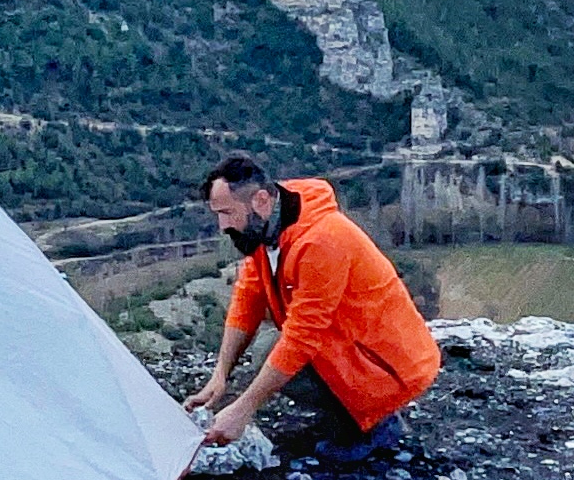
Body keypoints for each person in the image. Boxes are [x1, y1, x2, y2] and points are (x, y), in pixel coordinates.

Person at [183, 154, 440, 461]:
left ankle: (376, 424)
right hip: (350, 346)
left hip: (386, 364)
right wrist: (220, 375)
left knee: (277, 355)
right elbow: (248, 298)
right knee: (268, 348)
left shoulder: (323, 240)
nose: (223, 225)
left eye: (227, 213)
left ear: (261, 200)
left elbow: (302, 336)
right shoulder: (267, 229)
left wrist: (243, 409)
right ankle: (351, 411)